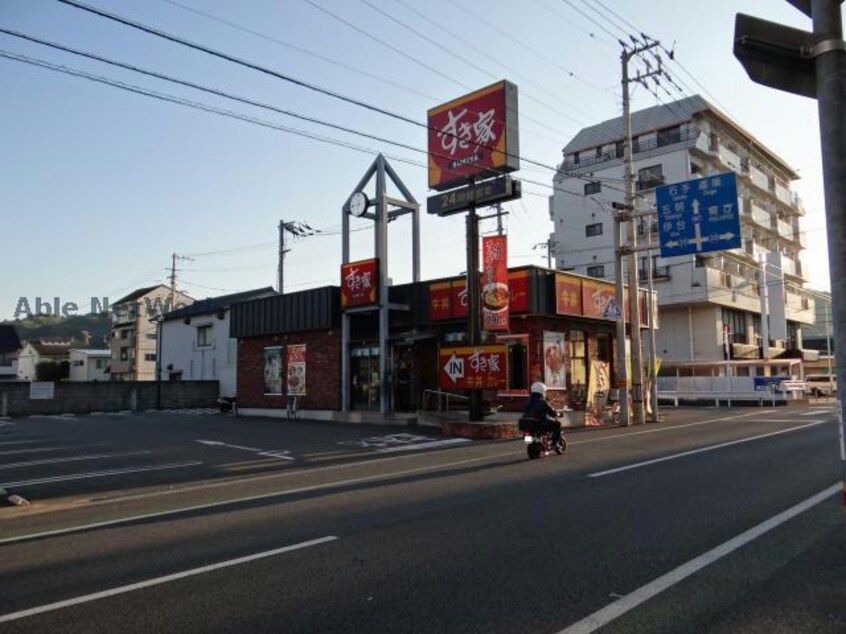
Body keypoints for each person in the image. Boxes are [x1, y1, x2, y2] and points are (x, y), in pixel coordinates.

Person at [519, 381, 564, 452]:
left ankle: (537, 442)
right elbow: (552, 412)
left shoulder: (527, 401)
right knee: (557, 424)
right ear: (542, 391)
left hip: (525, 423)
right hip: (539, 423)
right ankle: (554, 443)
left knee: (528, 436)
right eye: (545, 392)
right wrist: (558, 414)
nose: (545, 393)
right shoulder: (542, 401)